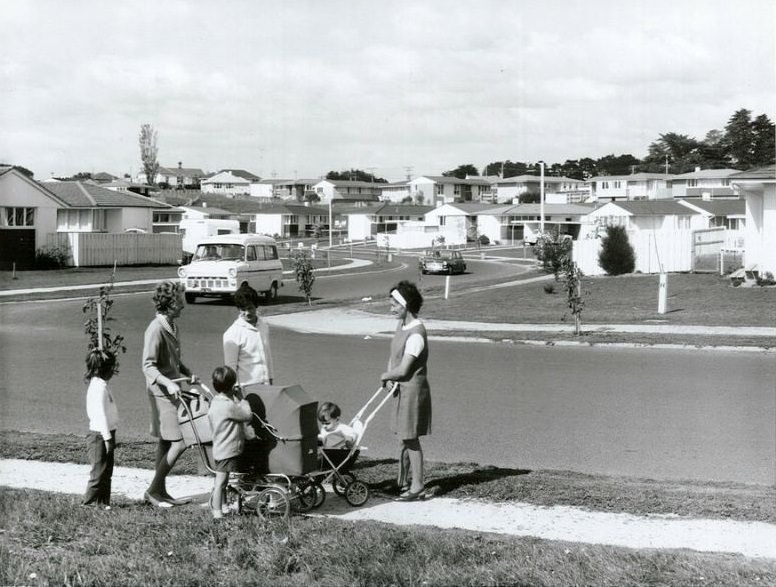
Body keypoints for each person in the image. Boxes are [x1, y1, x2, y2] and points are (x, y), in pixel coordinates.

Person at [142, 280, 196, 508]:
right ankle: (153, 490)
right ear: (170, 303)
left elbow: (173, 360)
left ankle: (160, 490)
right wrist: (169, 383)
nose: (183, 305)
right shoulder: (156, 329)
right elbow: (148, 365)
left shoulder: (172, 325)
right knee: (181, 441)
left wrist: (186, 371)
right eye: (180, 301)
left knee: (166, 441)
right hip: (162, 393)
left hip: (172, 389)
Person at [380, 280, 432, 502]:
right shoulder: (401, 326)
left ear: (406, 305)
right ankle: (402, 483)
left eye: (394, 304)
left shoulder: (417, 334)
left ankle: (418, 485)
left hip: (412, 391)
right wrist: (388, 373)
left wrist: (387, 376)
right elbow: (394, 359)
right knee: (402, 438)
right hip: (401, 389)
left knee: (410, 439)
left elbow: (404, 369)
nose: (391, 308)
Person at [207, 365, 252, 519]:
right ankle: (217, 512)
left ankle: (224, 507)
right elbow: (247, 416)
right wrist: (242, 399)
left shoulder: (215, 402)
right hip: (228, 449)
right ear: (232, 386)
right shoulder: (229, 406)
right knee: (220, 482)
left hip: (219, 447)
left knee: (223, 480)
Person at [82, 349, 119, 508]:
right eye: (112, 368)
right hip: (99, 435)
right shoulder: (98, 387)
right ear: (103, 370)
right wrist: (107, 438)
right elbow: (100, 415)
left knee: (107, 471)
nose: (114, 371)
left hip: (108, 432)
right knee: (98, 472)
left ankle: (103, 501)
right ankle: (89, 503)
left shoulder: (102, 385)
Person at [223, 283, 274, 387]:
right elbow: (230, 367)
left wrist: (271, 379)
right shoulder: (232, 333)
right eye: (243, 309)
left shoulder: (264, 327)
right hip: (245, 389)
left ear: (256, 306)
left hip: (266, 386)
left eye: (250, 308)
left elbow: (268, 356)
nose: (247, 313)